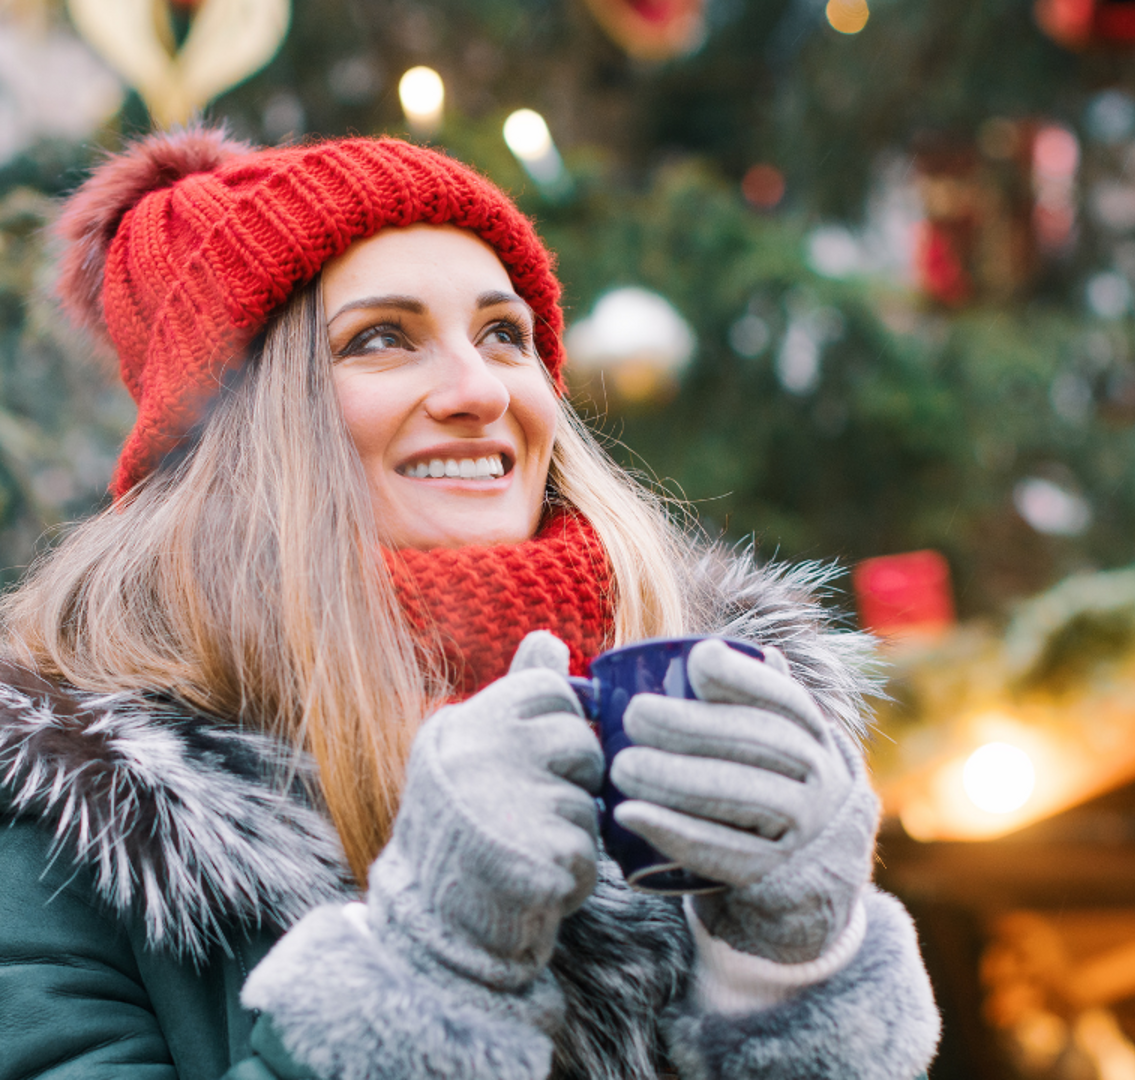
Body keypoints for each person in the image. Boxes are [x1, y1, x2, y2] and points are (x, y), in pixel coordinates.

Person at [0, 127, 940, 1080]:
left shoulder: (700, 699)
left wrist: (794, 974)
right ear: (244, 433)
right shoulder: (69, 813)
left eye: (504, 333)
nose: (477, 389)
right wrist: (427, 973)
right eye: (381, 338)